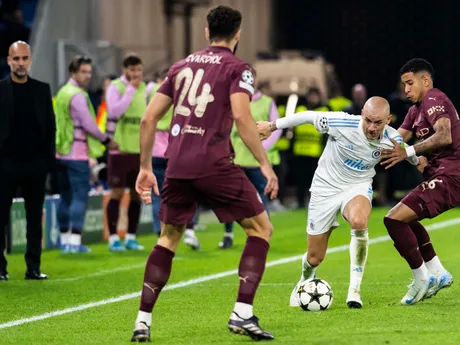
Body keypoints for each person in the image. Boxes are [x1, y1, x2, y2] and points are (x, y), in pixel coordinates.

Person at [131, 5, 278, 342]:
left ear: (205, 32)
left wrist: (143, 168)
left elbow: (148, 119)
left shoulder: (180, 66)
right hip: (213, 163)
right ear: (238, 33)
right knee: (260, 229)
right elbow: (242, 117)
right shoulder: (238, 68)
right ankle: (242, 314)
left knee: (168, 238)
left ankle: (142, 322)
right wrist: (265, 165)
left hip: (177, 166)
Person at [258, 96, 420, 309]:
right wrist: (271, 126)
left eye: (378, 122)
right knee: (315, 257)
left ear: (388, 120)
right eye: (368, 120)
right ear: (362, 113)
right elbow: (307, 116)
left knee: (360, 221)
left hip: (358, 186)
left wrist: (420, 161)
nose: (372, 127)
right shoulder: (342, 123)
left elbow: (405, 151)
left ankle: (354, 291)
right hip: (325, 188)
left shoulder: (392, 138)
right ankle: (305, 279)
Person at [380, 58, 455, 305]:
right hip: (440, 175)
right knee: (405, 219)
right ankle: (438, 273)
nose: (406, 90)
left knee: (393, 219)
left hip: (451, 176)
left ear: (425, 80)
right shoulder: (414, 111)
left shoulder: (434, 98)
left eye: (410, 83)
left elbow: (444, 136)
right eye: (404, 85)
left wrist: (410, 153)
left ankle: (422, 277)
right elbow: (394, 142)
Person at [0, 41, 55, 280]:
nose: (20, 63)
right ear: (8, 60)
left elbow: (51, 128)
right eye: (16, 59)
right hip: (5, 164)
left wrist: (47, 163)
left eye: (24, 58)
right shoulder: (0, 89)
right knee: (0, 217)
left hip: (35, 165)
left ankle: (33, 267)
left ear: (30, 60)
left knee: (34, 219)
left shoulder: (43, 89)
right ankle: (0, 268)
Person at [54, 56, 118, 253]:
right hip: (77, 153)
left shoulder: (62, 92)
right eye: (84, 71)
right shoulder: (78, 96)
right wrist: (106, 140)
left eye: (89, 72)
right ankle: (74, 242)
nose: (88, 76)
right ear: (73, 72)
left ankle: (65, 241)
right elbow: (90, 125)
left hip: (60, 153)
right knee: (80, 197)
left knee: (64, 197)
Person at [221, 76, 282, 249]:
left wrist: (263, 147)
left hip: (257, 162)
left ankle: (265, 234)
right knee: (231, 199)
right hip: (237, 160)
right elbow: (226, 128)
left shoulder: (267, 102)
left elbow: (276, 129)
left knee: (261, 197)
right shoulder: (235, 101)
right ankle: (228, 234)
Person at [105, 54, 155, 251]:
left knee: (137, 194)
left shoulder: (147, 89)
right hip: (120, 150)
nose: (136, 74)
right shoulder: (115, 87)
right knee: (116, 193)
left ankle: (131, 237)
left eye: (139, 70)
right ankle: (113, 238)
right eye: (132, 70)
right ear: (125, 70)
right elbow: (115, 112)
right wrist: (131, 89)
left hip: (140, 151)